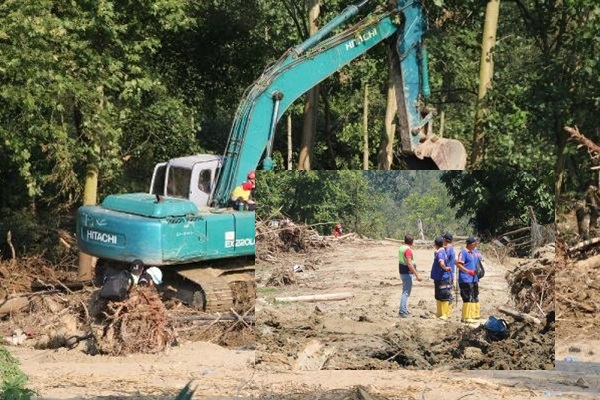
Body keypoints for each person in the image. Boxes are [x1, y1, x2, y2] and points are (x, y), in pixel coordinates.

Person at [456, 236, 482, 323]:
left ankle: (474, 314)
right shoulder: (463, 253)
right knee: (467, 297)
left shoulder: (472, 253)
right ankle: (466, 317)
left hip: (474, 279)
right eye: (475, 244)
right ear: (471, 244)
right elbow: (459, 264)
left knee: (474, 295)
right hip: (465, 279)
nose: (476, 245)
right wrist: (468, 271)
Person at [398, 234, 422, 318]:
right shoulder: (408, 250)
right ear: (412, 242)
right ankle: (402, 311)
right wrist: (417, 274)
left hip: (402, 272)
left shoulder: (401, 248)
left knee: (405, 292)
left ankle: (404, 309)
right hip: (407, 273)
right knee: (406, 293)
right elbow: (409, 263)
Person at [430, 236, 452, 320]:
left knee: (444, 294)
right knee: (438, 295)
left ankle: (445, 314)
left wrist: (445, 268)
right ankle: (439, 313)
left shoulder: (440, 253)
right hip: (438, 277)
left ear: (435, 244)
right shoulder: (440, 251)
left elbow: (441, 262)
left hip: (443, 277)